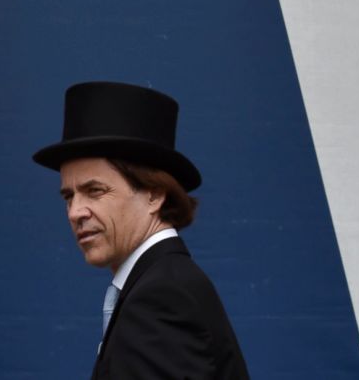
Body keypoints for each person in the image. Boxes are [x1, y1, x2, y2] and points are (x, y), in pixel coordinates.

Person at [33, 81, 249, 379]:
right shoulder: (161, 284)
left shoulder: (160, 298)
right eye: (68, 196)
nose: (75, 212)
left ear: (154, 194)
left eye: (94, 190)